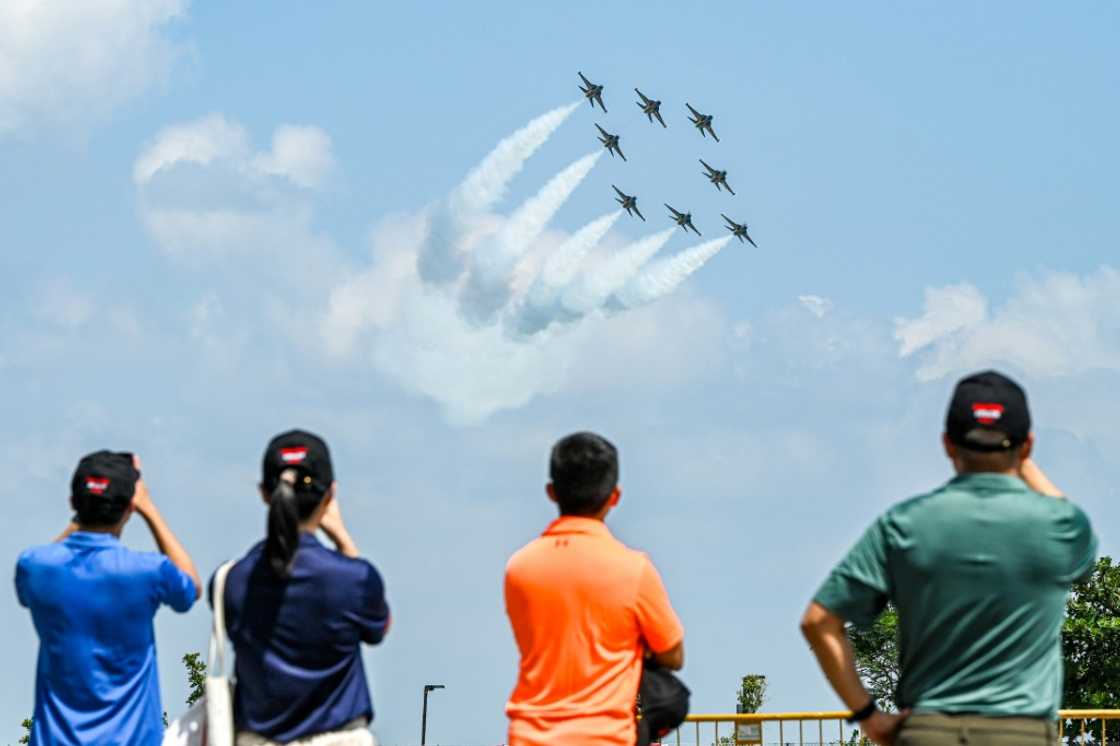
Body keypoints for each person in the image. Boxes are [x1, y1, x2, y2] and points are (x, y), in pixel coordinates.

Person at [801, 370, 1098, 746]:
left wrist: (869, 717)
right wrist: (1017, 460)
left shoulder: (904, 524)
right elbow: (1071, 528)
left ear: (947, 444)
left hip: (928, 732)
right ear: (1026, 446)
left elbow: (818, 621)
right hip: (1022, 734)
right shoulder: (1061, 526)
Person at [505, 432, 685, 746]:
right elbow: (673, 655)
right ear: (614, 497)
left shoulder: (519, 568)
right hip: (606, 737)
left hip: (530, 737)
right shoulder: (633, 569)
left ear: (551, 492)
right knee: (673, 696)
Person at [216, 429, 389, 746]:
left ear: (265, 494)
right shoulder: (354, 578)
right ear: (330, 494)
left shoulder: (231, 581)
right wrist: (342, 539)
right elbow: (379, 627)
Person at [15, 451, 201, 745]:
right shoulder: (148, 571)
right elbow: (190, 588)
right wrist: (149, 509)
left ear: (72, 503)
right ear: (130, 507)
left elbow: (34, 577)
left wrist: (84, 516)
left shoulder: (35, 566)